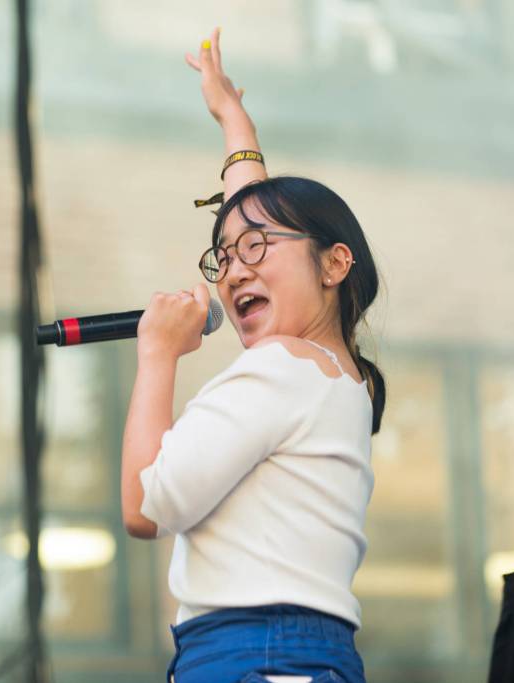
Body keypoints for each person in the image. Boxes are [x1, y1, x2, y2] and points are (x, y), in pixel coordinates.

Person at [119, 28, 386, 683]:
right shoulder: (332, 374)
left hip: (254, 654)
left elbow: (146, 505)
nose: (234, 270)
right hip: (292, 654)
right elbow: (263, 224)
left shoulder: (284, 366)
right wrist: (235, 123)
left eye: (256, 248)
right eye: (225, 255)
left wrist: (157, 355)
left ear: (335, 262)